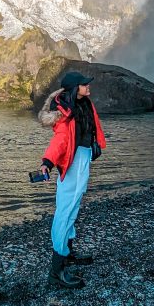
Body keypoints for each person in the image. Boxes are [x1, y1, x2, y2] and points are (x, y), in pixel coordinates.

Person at [37, 70, 106, 289]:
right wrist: (47, 163)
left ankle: (68, 253)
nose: (89, 87)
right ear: (76, 87)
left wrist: (93, 145)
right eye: (85, 85)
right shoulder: (65, 111)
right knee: (65, 211)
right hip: (72, 162)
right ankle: (56, 270)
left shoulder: (83, 103)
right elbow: (61, 140)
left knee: (73, 206)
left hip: (81, 158)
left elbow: (90, 129)